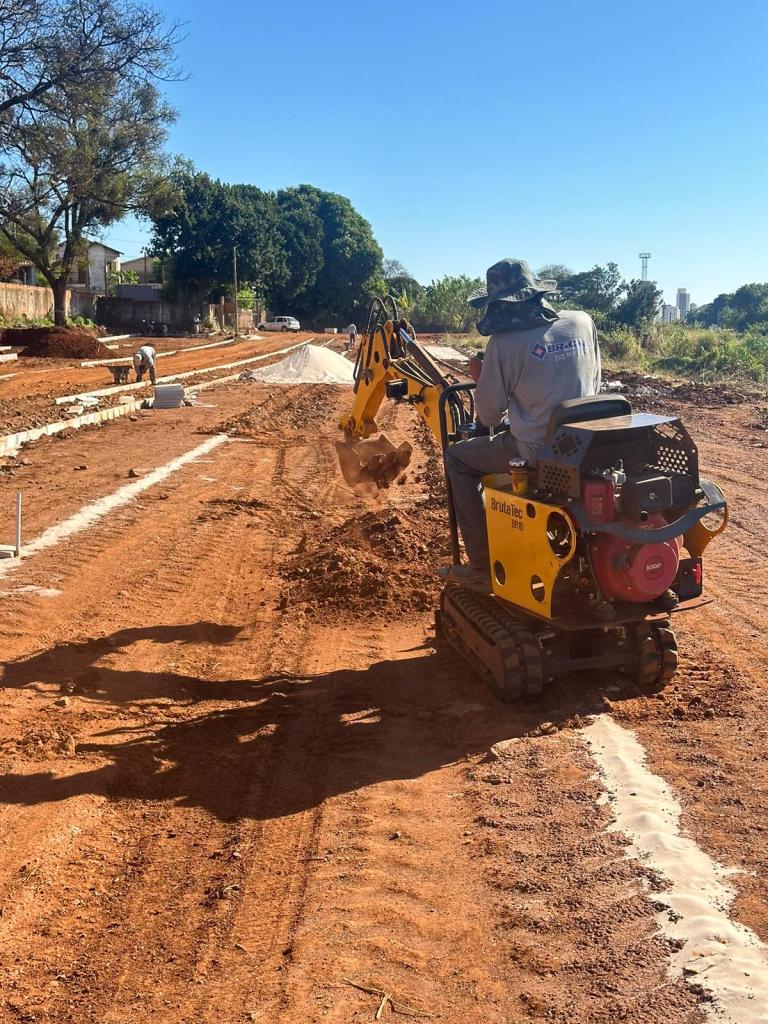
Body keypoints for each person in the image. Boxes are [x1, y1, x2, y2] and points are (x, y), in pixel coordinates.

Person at [441, 258, 601, 589]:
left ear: (499, 305)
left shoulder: (504, 344)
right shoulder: (582, 322)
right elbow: (594, 382)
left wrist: (482, 378)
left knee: (457, 459)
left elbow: (488, 417)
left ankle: (482, 566)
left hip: (537, 452)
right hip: (589, 444)